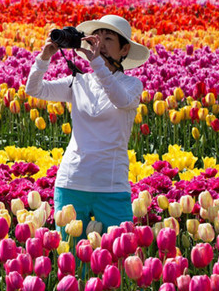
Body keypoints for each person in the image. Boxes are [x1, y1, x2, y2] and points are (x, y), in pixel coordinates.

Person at [25, 14, 149, 237]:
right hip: (71, 182)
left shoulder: (132, 85)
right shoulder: (78, 81)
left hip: (111, 186)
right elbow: (35, 89)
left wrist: (97, 64)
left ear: (124, 50)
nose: (100, 44)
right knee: (70, 254)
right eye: (96, 38)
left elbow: (119, 99)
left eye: (108, 39)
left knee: (118, 253)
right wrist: (44, 57)